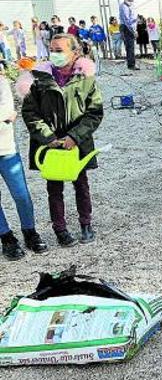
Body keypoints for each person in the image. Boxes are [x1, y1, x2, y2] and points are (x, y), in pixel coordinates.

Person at [16, 33, 104, 246]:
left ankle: (86, 223)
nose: (54, 54)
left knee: (81, 183)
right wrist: (48, 138)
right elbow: (30, 113)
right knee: (54, 188)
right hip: (51, 144)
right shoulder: (38, 79)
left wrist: (75, 136)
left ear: (74, 53)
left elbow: (95, 112)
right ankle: (60, 229)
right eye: (52, 50)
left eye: (59, 50)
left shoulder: (85, 78)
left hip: (77, 143)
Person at [0, 63, 48, 260]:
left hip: (6, 148)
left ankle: (30, 231)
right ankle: (6, 238)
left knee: (21, 195)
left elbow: (8, 113)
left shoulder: (1, 82)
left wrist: (6, 118)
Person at [118, 0, 138, 69]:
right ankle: (131, 65)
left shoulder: (128, 6)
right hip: (126, 28)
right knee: (130, 47)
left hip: (128, 27)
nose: (131, 2)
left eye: (132, 1)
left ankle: (131, 63)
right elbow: (127, 21)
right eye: (129, 0)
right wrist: (133, 31)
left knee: (130, 47)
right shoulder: (124, 7)